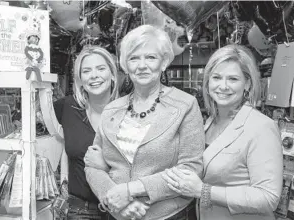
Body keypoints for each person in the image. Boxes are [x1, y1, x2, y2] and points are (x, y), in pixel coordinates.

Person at [83, 24, 205, 220]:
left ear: (163, 62)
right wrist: (115, 200)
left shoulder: (185, 105)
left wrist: (130, 191)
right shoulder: (112, 109)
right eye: (134, 58)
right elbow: (93, 165)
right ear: (125, 65)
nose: (141, 65)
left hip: (169, 215)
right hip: (119, 214)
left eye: (150, 57)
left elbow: (190, 169)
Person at [162, 44, 283, 220]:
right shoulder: (209, 121)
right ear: (208, 81)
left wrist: (203, 191)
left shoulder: (261, 126)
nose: (223, 86)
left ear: (247, 84)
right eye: (217, 77)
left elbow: (268, 197)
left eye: (233, 79)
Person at [54, 46, 119, 219]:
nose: (94, 75)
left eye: (101, 68)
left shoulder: (129, 110)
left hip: (122, 209)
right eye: (86, 71)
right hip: (80, 210)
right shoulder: (67, 107)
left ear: (113, 74)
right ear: (80, 80)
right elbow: (34, 120)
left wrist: (104, 166)